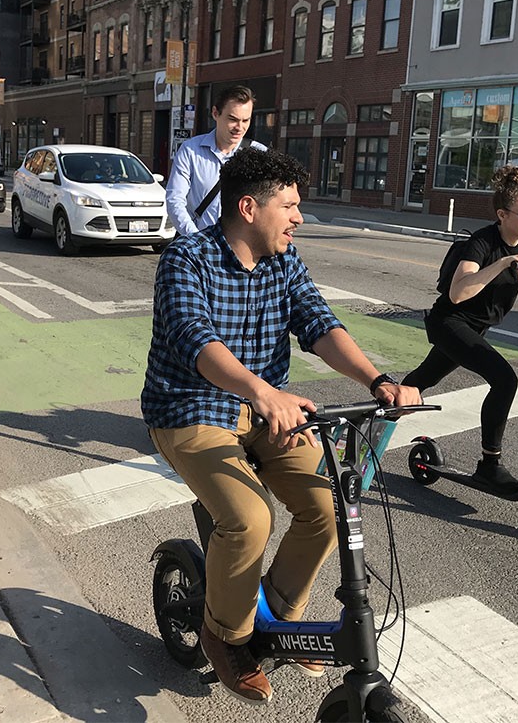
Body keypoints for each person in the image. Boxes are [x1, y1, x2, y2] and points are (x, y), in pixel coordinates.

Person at [142, 147, 421, 705]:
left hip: (267, 412)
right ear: (249, 207)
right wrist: (264, 392)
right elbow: (197, 342)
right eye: (290, 206)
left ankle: (282, 618)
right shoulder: (186, 260)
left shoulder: (285, 262)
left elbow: (319, 323)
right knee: (250, 518)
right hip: (190, 410)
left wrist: (378, 381)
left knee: (330, 505)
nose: (299, 217)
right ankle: (227, 637)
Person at [402, 165, 518, 492]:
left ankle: (387, 405)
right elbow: (458, 292)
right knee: (504, 380)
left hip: (479, 328)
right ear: (503, 215)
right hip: (450, 322)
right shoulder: (483, 242)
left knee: (423, 380)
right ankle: (490, 464)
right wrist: (502, 263)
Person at [165, 85, 267, 237]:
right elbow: (175, 200)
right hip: (199, 241)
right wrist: (196, 240)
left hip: (241, 247)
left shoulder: (259, 155)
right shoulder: (190, 150)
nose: (240, 127)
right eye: (232, 119)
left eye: (246, 120)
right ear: (215, 113)